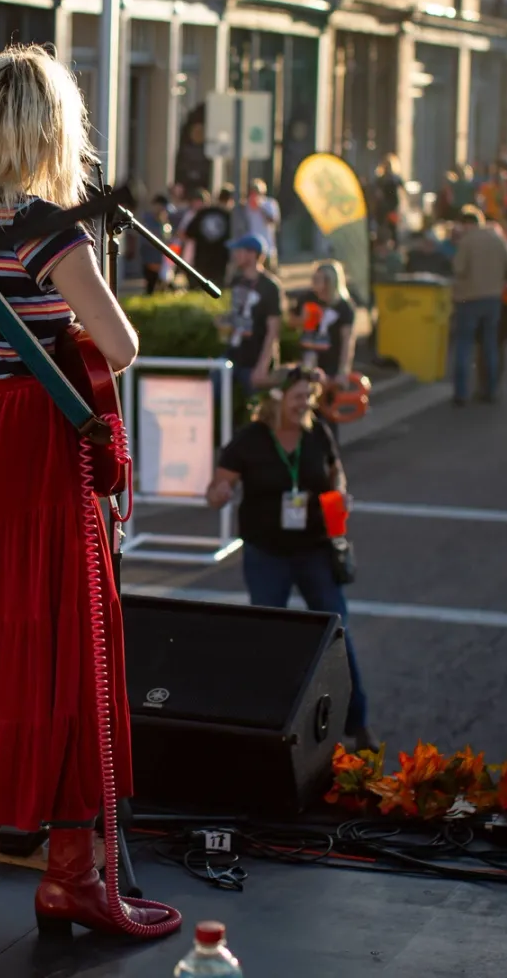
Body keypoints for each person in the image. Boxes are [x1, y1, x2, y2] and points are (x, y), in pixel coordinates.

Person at [0, 46, 178, 937]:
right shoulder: (46, 225)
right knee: (59, 638)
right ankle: (70, 874)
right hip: (26, 444)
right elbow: (121, 344)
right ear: (58, 129)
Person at [206, 367, 373, 750]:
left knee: (337, 635)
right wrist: (218, 493)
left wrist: (341, 498)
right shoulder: (249, 440)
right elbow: (219, 485)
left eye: (308, 397)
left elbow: (336, 476)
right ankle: (268, 729)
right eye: (298, 396)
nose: (305, 404)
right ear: (278, 398)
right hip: (267, 554)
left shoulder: (317, 433)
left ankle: (358, 724)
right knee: (269, 640)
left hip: (314, 549)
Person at [448, 206, 507, 406]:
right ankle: (490, 389)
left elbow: (459, 269)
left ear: (467, 224)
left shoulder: (466, 242)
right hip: (493, 297)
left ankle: (461, 392)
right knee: (490, 344)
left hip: (468, 298)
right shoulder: (498, 239)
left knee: (464, 344)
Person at [224, 234, 283, 395]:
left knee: (256, 405)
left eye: (239, 251)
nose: (235, 255)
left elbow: (273, 330)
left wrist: (262, 367)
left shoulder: (270, 286)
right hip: (233, 354)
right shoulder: (236, 281)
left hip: (255, 360)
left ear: (252, 254)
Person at [299, 260, 358, 378]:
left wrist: (343, 371)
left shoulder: (343, 307)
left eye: (318, 279)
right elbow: (291, 322)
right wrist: (302, 318)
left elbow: (347, 341)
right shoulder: (308, 298)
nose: (313, 282)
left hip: (330, 365)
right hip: (308, 359)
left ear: (329, 282)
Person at [184, 187, 234, 283]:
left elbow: (189, 234)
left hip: (201, 259)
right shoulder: (229, 216)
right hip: (220, 260)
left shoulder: (202, 213)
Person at [136, 194, 173, 294]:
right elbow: (145, 241)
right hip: (150, 258)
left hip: (162, 260)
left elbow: (168, 239)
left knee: (162, 287)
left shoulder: (165, 222)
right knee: (151, 286)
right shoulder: (147, 220)